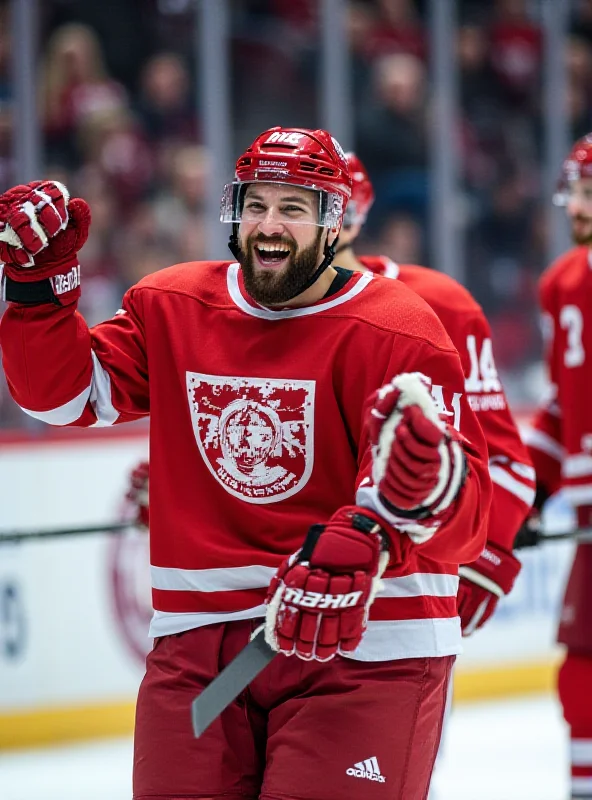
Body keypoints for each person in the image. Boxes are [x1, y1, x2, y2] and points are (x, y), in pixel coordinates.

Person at [0, 127, 491, 800]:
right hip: (202, 656)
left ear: (332, 223)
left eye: (294, 208)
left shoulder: (400, 330)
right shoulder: (171, 305)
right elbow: (59, 398)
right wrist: (37, 291)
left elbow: (463, 521)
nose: (269, 224)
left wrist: (393, 519)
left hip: (365, 649)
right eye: (257, 204)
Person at [337, 152, 535, 635]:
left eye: (306, 206)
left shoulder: (439, 302)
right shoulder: (248, 312)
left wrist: (488, 554)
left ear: (353, 217)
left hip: (400, 597)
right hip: (280, 588)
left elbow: (503, 458)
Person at [522, 133, 592, 800]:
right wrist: (529, 493)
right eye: (573, 189)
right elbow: (558, 408)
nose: (576, 204)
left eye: (588, 190)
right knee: (583, 656)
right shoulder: (562, 283)